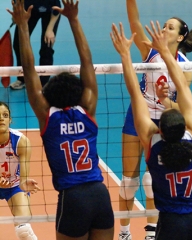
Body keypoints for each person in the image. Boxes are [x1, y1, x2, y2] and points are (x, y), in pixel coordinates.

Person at [7, 0, 114, 239]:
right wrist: (74, 20)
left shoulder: (47, 116)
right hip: (100, 194)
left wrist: (23, 27)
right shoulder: (88, 107)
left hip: (73, 198)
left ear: (49, 94)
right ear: (78, 91)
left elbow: (28, 68)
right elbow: (87, 62)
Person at [110, 21, 192, 240]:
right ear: (185, 125)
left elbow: (135, 94)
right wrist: (167, 56)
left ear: (160, 131)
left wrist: (125, 55)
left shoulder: (155, 148)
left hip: (170, 224)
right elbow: (185, 91)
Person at [0, 101, 40, 240]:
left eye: (5, 115)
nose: (1, 118)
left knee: (24, 230)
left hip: (14, 186)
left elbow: (23, 177)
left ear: (10, 119)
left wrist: (24, 183)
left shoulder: (21, 141)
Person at [10, 0, 61, 90]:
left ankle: (43, 84)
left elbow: (56, 10)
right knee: (18, 44)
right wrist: (16, 16)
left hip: (50, 13)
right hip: (29, 11)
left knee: (47, 47)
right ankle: (22, 79)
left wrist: (50, 30)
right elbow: (16, 5)